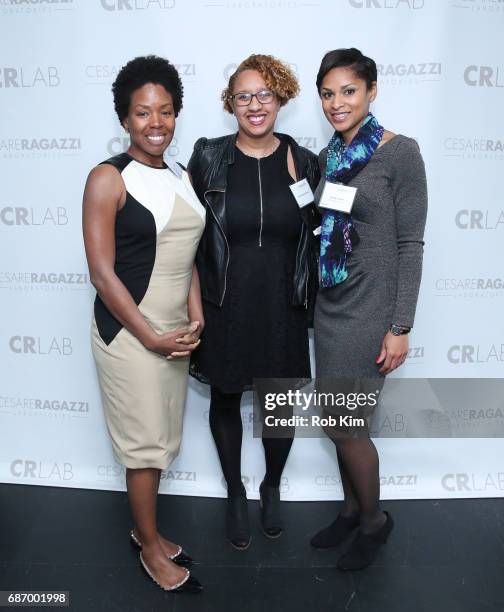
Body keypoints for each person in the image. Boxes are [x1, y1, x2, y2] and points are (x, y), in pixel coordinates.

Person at [82, 56, 205, 593]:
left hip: (174, 330)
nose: (155, 123)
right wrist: (150, 334)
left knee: (163, 436)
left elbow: (188, 255)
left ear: (176, 115)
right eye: (142, 113)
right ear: (124, 118)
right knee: (144, 445)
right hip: (129, 332)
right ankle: (151, 548)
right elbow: (101, 273)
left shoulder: (181, 175)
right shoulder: (107, 178)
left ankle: (145, 529)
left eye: (166, 112)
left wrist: (194, 311)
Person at [188, 54, 320, 549]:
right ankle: (234, 493)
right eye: (243, 96)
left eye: (265, 94)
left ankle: (270, 487)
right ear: (231, 105)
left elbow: (323, 232)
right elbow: (187, 234)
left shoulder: (305, 162)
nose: (255, 104)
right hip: (225, 301)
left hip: (283, 303)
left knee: (279, 403)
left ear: (281, 98)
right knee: (225, 395)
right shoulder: (209, 156)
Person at [310, 48, 427, 570]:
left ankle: (375, 522)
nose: (337, 103)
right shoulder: (329, 156)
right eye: (329, 93)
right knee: (339, 418)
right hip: (331, 305)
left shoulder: (400, 153)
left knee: (348, 425)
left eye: (349, 91)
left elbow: (410, 245)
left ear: (372, 91)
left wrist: (400, 325)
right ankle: (353, 510)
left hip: (372, 310)